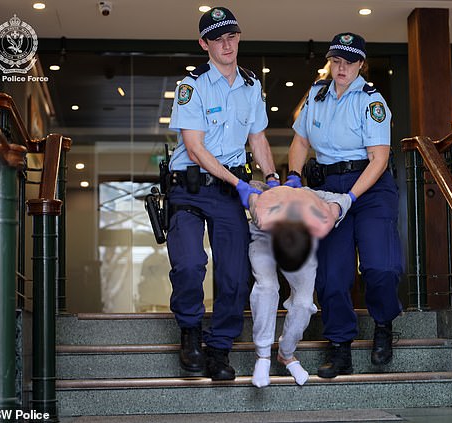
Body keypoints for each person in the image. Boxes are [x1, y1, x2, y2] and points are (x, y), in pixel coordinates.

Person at [166, 6, 278, 381]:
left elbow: (257, 137)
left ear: (239, 38)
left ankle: (219, 348)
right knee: (189, 264)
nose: (227, 44)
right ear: (204, 44)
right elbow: (195, 148)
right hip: (190, 187)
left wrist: (273, 177)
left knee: (234, 273)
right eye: (218, 38)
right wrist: (240, 183)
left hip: (231, 191)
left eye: (232, 36)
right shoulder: (191, 86)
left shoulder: (251, 85)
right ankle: (191, 333)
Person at [286, 32, 403, 378]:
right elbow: (300, 140)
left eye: (349, 62)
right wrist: (294, 175)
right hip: (326, 187)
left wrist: (348, 200)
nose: (341, 68)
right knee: (332, 275)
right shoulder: (316, 96)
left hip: (368, 188)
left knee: (380, 266)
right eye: (336, 60)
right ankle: (340, 346)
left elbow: (379, 160)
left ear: (361, 65)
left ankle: (383, 324)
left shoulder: (372, 101)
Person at [245, 182, 352, 387]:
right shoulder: (263, 210)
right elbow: (251, 189)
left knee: (303, 303)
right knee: (267, 287)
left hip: (302, 235)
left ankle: (286, 354)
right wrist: (257, 192)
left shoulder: (317, 212)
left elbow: (345, 197)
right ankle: (264, 355)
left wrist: (337, 207)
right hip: (263, 237)